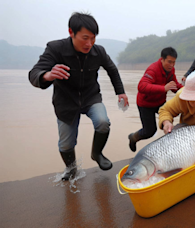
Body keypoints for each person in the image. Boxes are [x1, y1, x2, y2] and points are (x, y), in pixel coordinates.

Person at [29, 12, 129, 181]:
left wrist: (120, 92)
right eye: (84, 38)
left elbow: (112, 70)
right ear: (71, 32)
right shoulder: (56, 48)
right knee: (66, 143)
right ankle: (71, 168)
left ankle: (97, 154)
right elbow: (34, 73)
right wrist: (48, 75)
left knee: (103, 122)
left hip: (91, 97)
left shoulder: (99, 52)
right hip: (65, 101)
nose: (89, 43)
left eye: (93, 38)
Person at [128, 47, 183, 152]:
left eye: (174, 62)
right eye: (169, 62)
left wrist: (187, 91)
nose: (171, 65)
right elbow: (141, 86)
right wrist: (163, 88)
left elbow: (174, 85)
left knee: (168, 118)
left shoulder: (171, 70)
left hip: (160, 102)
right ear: (162, 59)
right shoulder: (153, 69)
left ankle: (169, 148)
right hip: (146, 104)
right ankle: (133, 137)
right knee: (149, 131)